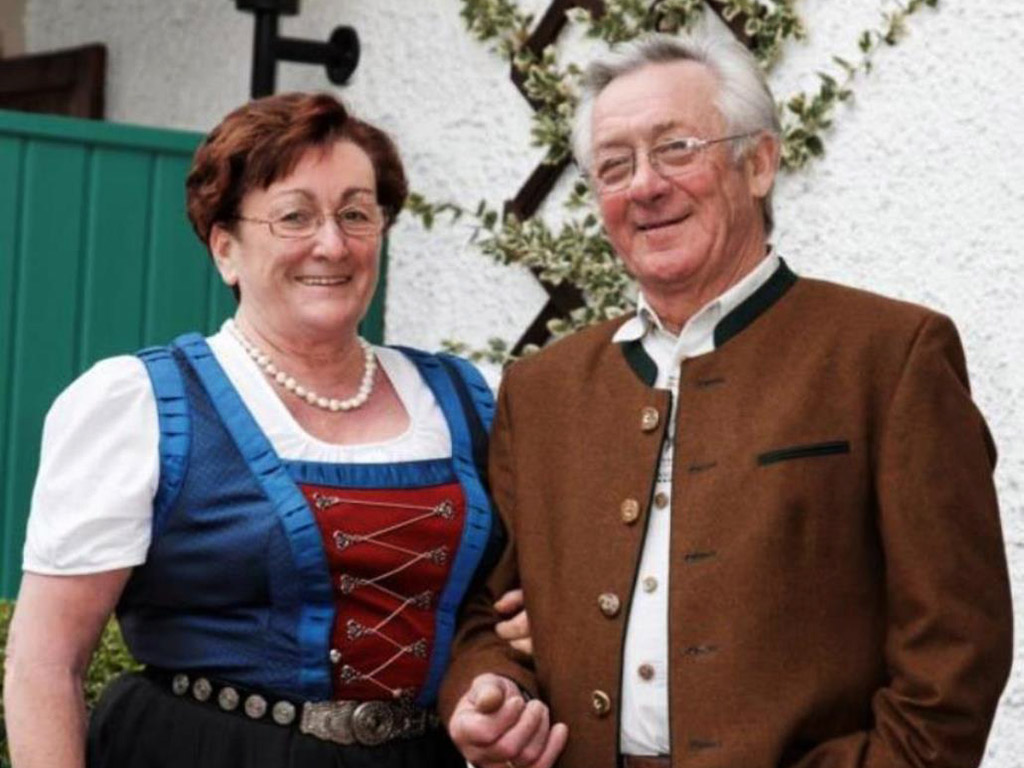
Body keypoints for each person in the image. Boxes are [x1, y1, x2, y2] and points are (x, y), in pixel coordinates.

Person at [440, 27, 1013, 768]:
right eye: (614, 166)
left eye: (676, 148)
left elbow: (955, 655)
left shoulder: (890, 356)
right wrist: (489, 692)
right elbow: (486, 614)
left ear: (760, 162)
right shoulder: (542, 388)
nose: (644, 186)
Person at [3, 92, 530, 768]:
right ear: (225, 248)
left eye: (356, 214)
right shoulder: (139, 404)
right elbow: (46, 665)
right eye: (294, 216)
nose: (332, 244)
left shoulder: (467, 398)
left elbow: (512, 603)